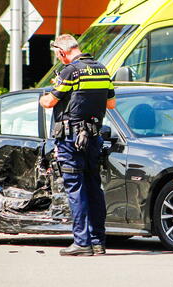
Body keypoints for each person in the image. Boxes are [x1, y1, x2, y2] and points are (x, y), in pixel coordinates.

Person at [40, 34, 116, 256]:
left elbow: (50, 101)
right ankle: (98, 242)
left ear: (63, 52)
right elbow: (110, 104)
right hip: (93, 137)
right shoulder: (102, 69)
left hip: (71, 139)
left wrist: (43, 97)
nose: (59, 59)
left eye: (58, 55)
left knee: (75, 188)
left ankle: (81, 243)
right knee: (94, 186)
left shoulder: (70, 71)